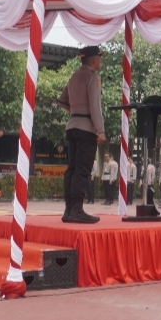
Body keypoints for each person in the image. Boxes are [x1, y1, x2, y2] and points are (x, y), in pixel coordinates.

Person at [55, 45, 105, 224]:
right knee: (82, 170)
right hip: (86, 129)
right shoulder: (93, 77)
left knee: (72, 168)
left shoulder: (74, 76)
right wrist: (100, 130)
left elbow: (62, 101)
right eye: (99, 58)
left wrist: (75, 111)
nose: (100, 61)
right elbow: (95, 106)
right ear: (93, 60)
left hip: (72, 125)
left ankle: (69, 209)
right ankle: (77, 209)